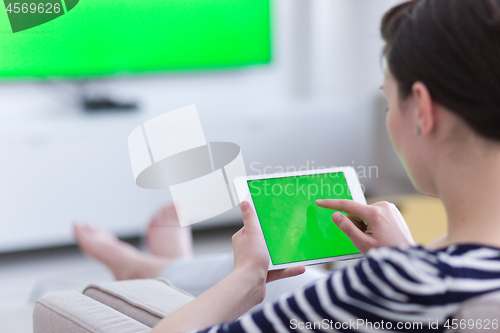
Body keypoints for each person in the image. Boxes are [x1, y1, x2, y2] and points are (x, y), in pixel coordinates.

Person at [76, 0, 500, 331]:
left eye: (390, 101)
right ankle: (156, 267)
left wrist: (245, 277)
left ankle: (150, 270)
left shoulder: (399, 284)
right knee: (297, 276)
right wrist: (410, 257)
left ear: (422, 110)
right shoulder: (428, 279)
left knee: (267, 272)